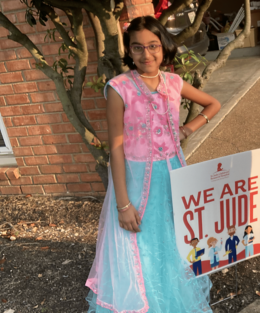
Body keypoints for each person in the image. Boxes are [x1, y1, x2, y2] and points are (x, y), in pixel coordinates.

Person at [85, 16, 220, 312]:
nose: (146, 55)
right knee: (139, 242)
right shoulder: (119, 88)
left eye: (153, 46)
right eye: (137, 48)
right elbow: (116, 149)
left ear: (164, 46)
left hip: (173, 173)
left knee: (173, 241)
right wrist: (122, 203)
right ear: (129, 51)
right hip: (133, 179)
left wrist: (187, 129)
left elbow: (213, 104)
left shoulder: (173, 82)